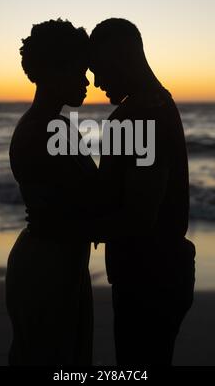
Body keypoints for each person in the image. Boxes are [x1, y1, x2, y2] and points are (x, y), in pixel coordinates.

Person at [89, 18, 196, 366]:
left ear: (119, 58)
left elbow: (139, 217)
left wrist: (72, 228)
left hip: (148, 282)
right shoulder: (160, 104)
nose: (97, 82)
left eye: (99, 70)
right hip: (162, 275)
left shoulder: (136, 117)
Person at [6, 19, 97, 366]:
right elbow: (88, 203)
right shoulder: (41, 131)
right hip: (47, 267)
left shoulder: (55, 126)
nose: (86, 81)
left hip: (61, 261)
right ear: (54, 71)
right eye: (78, 71)